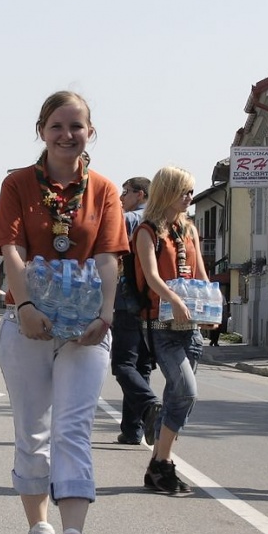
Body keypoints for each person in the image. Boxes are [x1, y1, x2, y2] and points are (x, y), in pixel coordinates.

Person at [0, 92, 126, 534]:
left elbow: (108, 257)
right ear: (42, 131)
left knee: (73, 428)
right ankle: (40, 530)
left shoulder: (104, 190)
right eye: (57, 126)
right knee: (33, 431)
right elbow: (12, 250)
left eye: (76, 126)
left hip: (85, 330)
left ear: (91, 131)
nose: (67, 135)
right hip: (27, 326)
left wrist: (105, 316)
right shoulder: (18, 184)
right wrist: (25, 306)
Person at [134, 166, 206, 495]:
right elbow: (151, 276)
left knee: (178, 397)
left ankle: (157, 466)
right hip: (160, 325)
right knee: (186, 391)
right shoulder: (147, 231)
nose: (189, 197)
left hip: (190, 327)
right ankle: (163, 463)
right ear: (167, 192)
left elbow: (201, 275)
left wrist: (212, 306)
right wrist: (174, 299)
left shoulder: (189, 230)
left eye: (191, 191)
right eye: (184, 191)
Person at [110, 175, 159, 445]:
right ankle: (132, 430)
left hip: (127, 301)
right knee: (142, 366)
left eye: (126, 192)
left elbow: (112, 257)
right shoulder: (160, 223)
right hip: (152, 303)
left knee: (123, 364)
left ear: (140, 194)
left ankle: (149, 406)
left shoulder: (129, 220)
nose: (121, 197)